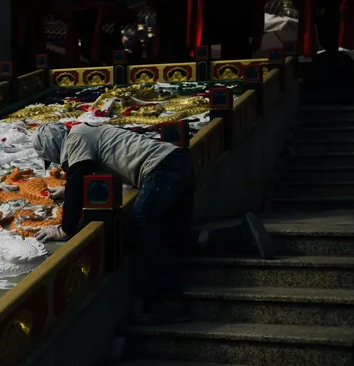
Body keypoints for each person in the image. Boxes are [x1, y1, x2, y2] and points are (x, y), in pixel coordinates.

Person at [31, 122, 276, 324]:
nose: (54, 163)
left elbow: (78, 178)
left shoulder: (76, 138)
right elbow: (86, 176)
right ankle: (241, 234)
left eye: (50, 158)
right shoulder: (86, 133)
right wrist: (68, 190)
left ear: (51, 147)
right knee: (175, 238)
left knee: (139, 227)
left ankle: (171, 302)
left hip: (162, 171)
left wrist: (65, 229)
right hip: (178, 164)